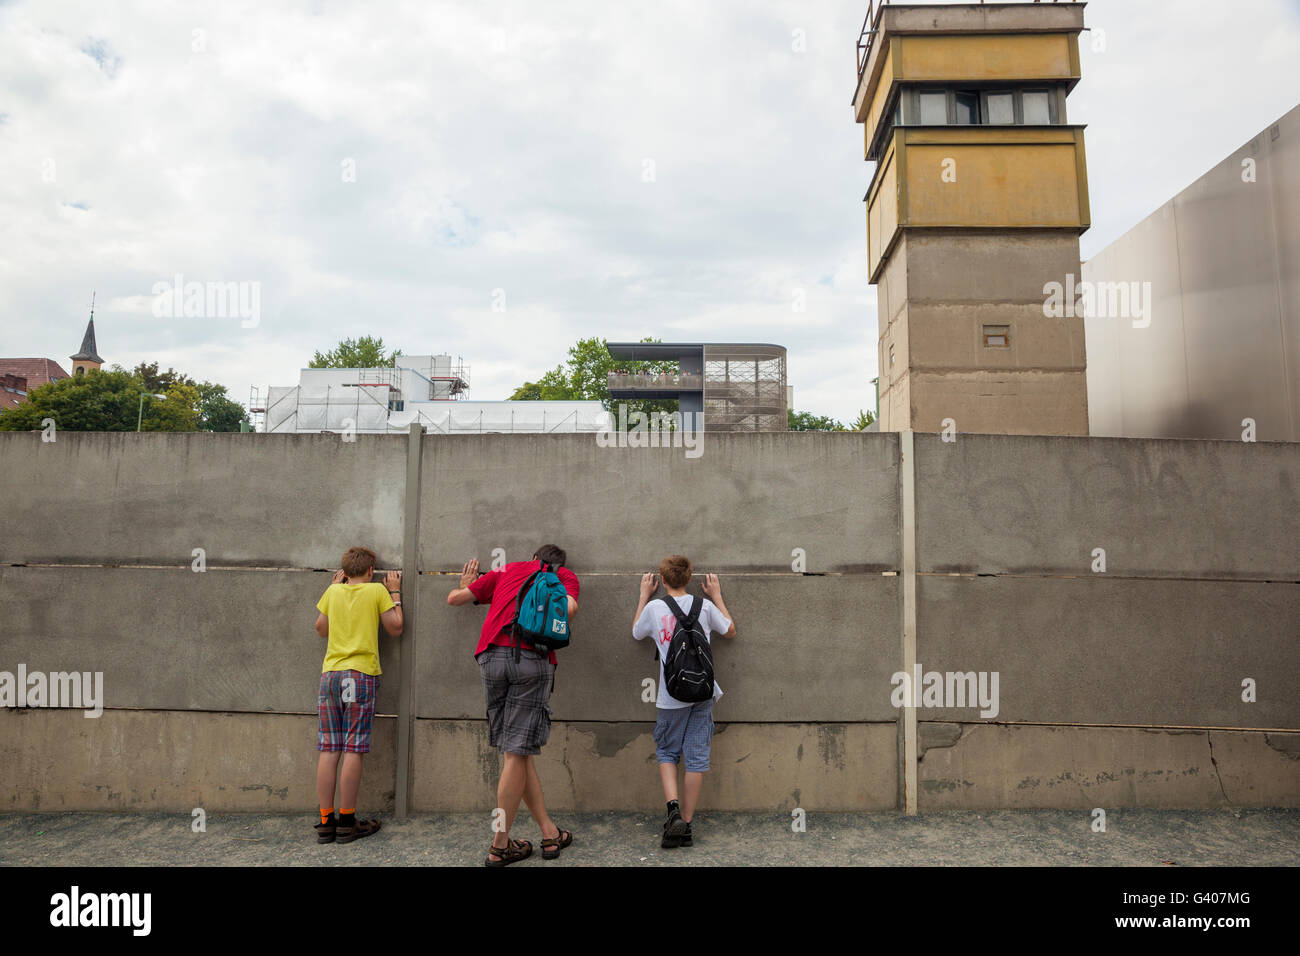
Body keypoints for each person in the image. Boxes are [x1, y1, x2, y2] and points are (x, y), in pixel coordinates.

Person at [447, 545, 579, 866]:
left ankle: (549, 833)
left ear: (533, 557)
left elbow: (455, 598)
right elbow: (569, 611)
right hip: (533, 660)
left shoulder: (508, 570)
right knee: (517, 752)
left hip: (491, 658)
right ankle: (500, 843)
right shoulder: (564, 577)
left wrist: (467, 585)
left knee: (515, 753)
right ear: (559, 563)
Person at [632, 555, 736, 849]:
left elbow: (636, 632)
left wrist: (643, 596)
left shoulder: (654, 607)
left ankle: (672, 810)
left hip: (671, 694)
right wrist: (716, 596)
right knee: (696, 756)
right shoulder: (704, 606)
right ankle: (687, 826)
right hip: (703, 692)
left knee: (667, 750)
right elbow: (730, 630)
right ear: (689, 579)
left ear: (662, 581)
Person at [312, 546, 403, 844]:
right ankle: (348, 822)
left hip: (331, 676)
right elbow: (395, 627)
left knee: (329, 748)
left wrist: (334, 592)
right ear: (370, 569)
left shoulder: (333, 591)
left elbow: (320, 628)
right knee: (353, 748)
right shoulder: (376, 590)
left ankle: (326, 821)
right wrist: (395, 593)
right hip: (359, 675)